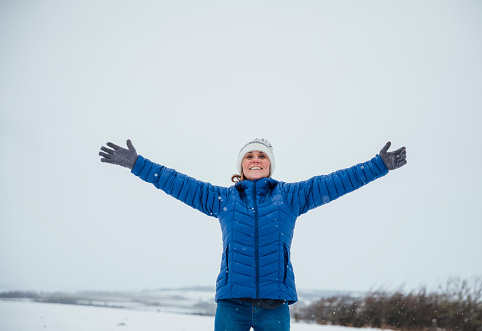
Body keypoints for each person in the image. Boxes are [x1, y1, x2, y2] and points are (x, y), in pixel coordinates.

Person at [99, 138, 407, 330]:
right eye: (249, 156)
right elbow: (178, 183)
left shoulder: (290, 196)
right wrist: (137, 164)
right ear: (241, 166)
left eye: (261, 156)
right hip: (232, 303)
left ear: (270, 165)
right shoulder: (223, 199)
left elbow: (335, 182)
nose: (255, 160)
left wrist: (378, 165)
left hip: (274, 304)